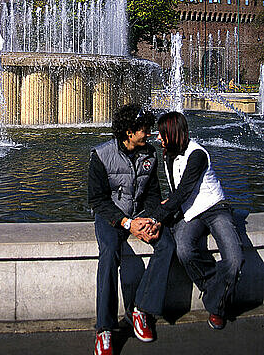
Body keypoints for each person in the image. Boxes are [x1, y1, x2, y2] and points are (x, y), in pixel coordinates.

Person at [88, 104, 175, 355]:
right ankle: (104, 329)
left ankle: (141, 308)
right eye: (144, 130)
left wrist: (153, 220)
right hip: (111, 216)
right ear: (129, 132)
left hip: (140, 213)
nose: (148, 134)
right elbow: (97, 201)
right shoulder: (101, 155)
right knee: (108, 253)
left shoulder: (149, 154)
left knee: (167, 244)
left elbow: (152, 194)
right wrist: (127, 224)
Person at [147, 111, 244, 330]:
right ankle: (215, 289)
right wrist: (167, 205)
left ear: (173, 133)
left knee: (235, 260)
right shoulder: (168, 154)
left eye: (162, 134)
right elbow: (177, 193)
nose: (158, 138)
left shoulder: (197, 154)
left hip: (214, 208)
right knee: (183, 251)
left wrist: (157, 217)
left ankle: (216, 306)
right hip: (189, 211)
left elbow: (183, 191)